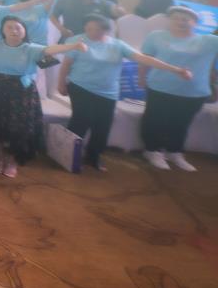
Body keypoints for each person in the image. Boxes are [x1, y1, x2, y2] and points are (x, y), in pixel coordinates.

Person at [57, 14, 191, 172]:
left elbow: (143, 58)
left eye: (97, 29)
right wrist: (61, 83)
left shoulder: (118, 45)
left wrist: (175, 70)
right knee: (81, 119)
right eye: (89, 28)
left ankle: (94, 157)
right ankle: (70, 155)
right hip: (81, 86)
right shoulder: (76, 41)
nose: (92, 32)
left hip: (108, 91)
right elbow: (66, 65)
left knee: (103, 125)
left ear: (107, 30)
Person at [0, 16, 88, 179]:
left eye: (18, 27)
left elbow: (51, 50)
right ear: (2, 30)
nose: (14, 30)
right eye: (9, 27)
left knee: (19, 129)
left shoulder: (31, 48)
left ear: (24, 31)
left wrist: (74, 45)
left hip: (22, 92)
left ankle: (12, 162)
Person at [138, 5, 218, 171]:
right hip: (160, 88)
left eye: (186, 19)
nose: (181, 22)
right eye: (176, 18)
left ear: (195, 23)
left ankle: (175, 152)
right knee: (154, 121)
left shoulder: (209, 41)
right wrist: (141, 78)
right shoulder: (156, 36)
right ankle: (152, 150)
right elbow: (145, 59)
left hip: (194, 92)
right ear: (169, 20)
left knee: (181, 124)